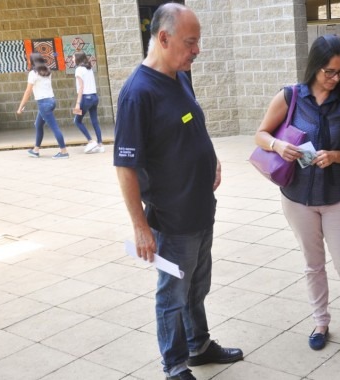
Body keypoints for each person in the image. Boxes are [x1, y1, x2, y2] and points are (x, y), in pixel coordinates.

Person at [113, 4, 242, 380]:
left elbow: (191, 123)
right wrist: (139, 226)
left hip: (201, 208)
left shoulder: (180, 76)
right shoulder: (137, 94)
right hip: (171, 218)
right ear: (163, 38)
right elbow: (125, 167)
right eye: (191, 41)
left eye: (198, 41)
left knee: (197, 287)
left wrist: (211, 157)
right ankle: (174, 366)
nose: (197, 49)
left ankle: (198, 346)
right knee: (172, 296)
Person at [255, 34, 340, 351]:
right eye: (328, 71)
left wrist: (334, 155)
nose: (335, 78)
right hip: (298, 197)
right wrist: (278, 144)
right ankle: (320, 321)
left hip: (335, 196)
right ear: (314, 67)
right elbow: (260, 134)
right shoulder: (290, 97)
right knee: (313, 264)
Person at [16, 52, 69, 159]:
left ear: (31, 61)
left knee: (54, 128)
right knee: (38, 125)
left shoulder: (33, 73)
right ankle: (36, 150)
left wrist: (20, 107)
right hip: (51, 101)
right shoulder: (47, 71)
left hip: (44, 103)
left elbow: (28, 91)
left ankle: (64, 152)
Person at [72, 51, 104, 154]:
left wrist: (77, 103)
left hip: (85, 99)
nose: (72, 59)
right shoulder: (89, 68)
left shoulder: (78, 70)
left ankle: (91, 141)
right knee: (94, 121)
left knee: (77, 121)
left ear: (77, 58)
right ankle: (100, 144)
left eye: (73, 57)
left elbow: (81, 87)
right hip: (94, 97)